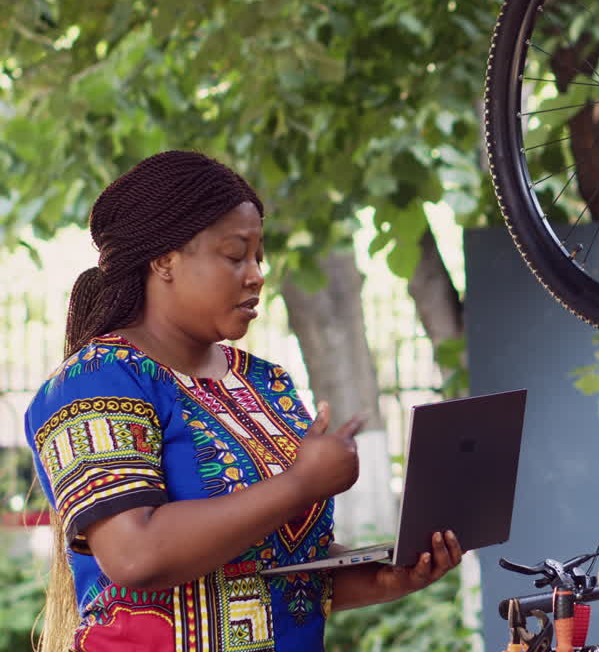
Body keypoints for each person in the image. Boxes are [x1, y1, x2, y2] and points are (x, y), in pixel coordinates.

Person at [24, 151, 464, 651]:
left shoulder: (265, 383)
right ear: (163, 259)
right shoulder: (95, 381)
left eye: (259, 257)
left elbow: (277, 571)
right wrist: (300, 483)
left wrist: (387, 578)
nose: (256, 275)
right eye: (235, 255)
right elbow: (135, 556)